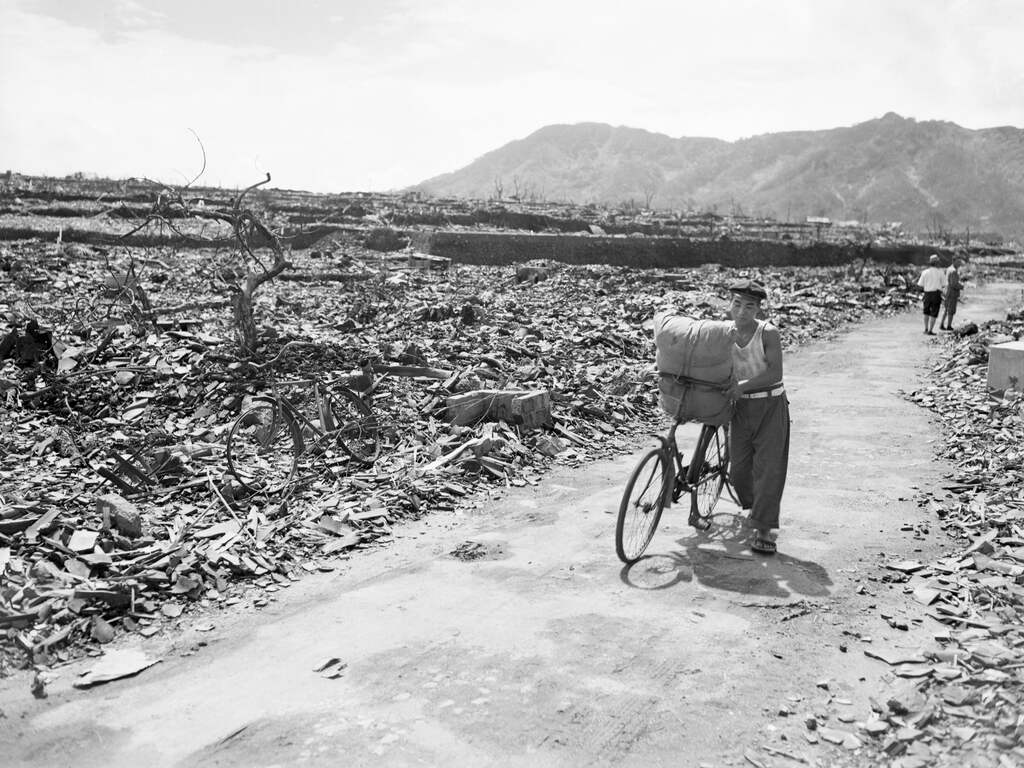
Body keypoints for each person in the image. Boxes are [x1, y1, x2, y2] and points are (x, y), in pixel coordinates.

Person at [724, 279, 789, 555]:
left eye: (749, 306)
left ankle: (765, 530)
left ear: (759, 309)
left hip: (770, 406)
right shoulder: (723, 333)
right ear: (729, 305)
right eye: (737, 304)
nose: (741, 311)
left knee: (768, 469)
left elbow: (775, 374)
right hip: (740, 409)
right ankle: (755, 509)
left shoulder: (768, 333)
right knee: (738, 471)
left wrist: (742, 387)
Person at [917, 254, 946, 335]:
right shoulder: (940, 272)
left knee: (926, 312)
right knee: (934, 312)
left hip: (927, 294)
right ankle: (930, 330)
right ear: (937, 263)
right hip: (936, 294)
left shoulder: (925, 272)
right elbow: (944, 284)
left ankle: (926, 329)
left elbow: (920, 285)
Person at [940, 257, 963, 331]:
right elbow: (954, 284)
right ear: (953, 261)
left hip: (947, 291)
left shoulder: (948, 269)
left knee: (946, 309)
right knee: (951, 310)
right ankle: (949, 326)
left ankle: (942, 324)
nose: (960, 263)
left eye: (960, 262)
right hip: (952, 293)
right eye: (958, 262)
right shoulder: (953, 271)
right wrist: (961, 286)